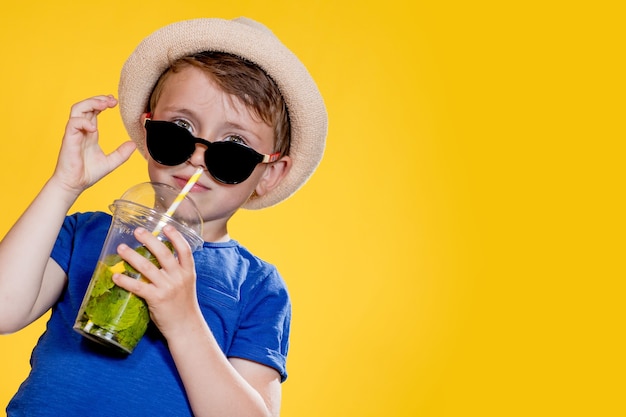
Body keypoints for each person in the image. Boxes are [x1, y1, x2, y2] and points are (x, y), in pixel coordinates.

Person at [0, 17, 327, 417]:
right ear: (149, 128)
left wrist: (185, 322)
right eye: (180, 129)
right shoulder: (85, 234)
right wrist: (64, 186)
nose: (198, 158)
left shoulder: (257, 288)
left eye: (234, 146)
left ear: (269, 172)